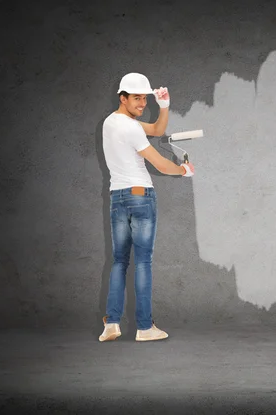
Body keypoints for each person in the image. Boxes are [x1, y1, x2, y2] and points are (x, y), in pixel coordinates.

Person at [99, 72, 195, 342]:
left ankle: (112, 323)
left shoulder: (111, 122)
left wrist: (163, 106)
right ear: (123, 98)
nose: (142, 104)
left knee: (119, 261)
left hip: (117, 197)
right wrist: (183, 170)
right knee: (142, 262)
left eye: (144, 98)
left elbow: (156, 130)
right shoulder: (130, 127)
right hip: (141, 196)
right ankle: (144, 328)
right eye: (137, 99)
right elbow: (160, 164)